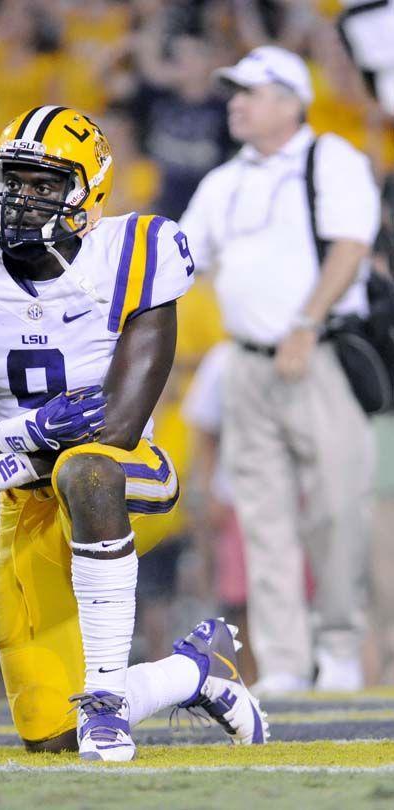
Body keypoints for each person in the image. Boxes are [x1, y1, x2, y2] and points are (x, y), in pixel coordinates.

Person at [0, 106, 268, 760]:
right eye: (12, 178)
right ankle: (194, 673)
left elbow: (117, 425)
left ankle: (107, 698)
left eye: (44, 184)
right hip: (34, 503)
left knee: (87, 468)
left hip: (131, 472)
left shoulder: (135, 252)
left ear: (90, 191)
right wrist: (25, 434)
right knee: (48, 735)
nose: (20, 198)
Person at [180, 46, 380, 695]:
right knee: (262, 516)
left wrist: (306, 322)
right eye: (233, 91)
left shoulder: (331, 158)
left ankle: (342, 647)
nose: (234, 101)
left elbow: (353, 246)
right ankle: (286, 660)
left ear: (292, 100)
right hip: (246, 363)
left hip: (316, 354)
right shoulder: (223, 180)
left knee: (338, 509)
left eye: (250, 91)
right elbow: (182, 257)